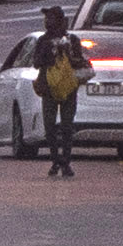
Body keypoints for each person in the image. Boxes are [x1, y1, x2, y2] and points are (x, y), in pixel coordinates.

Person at [33, 25, 88, 179]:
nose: (47, 23)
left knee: (67, 126)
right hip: (49, 88)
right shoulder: (43, 40)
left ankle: (66, 162)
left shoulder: (72, 40)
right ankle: (55, 160)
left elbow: (79, 61)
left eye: (51, 19)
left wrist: (67, 54)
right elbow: (36, 62)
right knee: (49, 126)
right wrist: (49, 53)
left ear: (61, 22)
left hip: (69, 88)